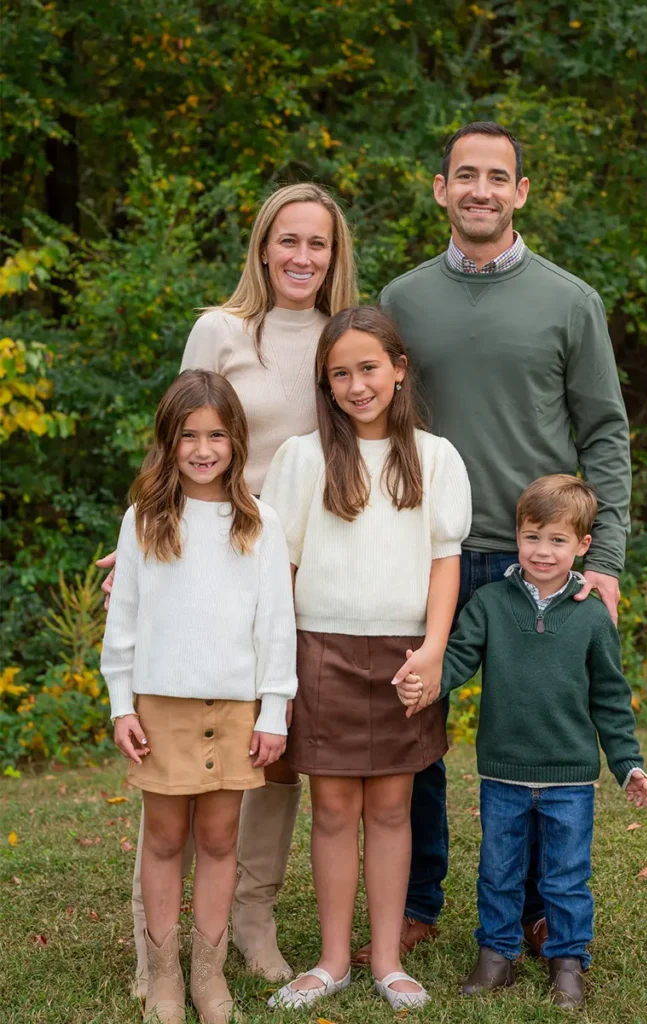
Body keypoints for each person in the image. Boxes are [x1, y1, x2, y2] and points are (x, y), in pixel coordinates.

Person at [364, 120, 633, 965]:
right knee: (418, 736)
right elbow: (365, 416)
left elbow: (604, 435)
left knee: (539, 740)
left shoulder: (568, 300)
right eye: (464, 175)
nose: (480, 189)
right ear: (440, 189)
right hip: (430, 552)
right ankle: (419, 897)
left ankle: (534, 911)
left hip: (537, 562)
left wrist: (608, 560)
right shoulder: (402, 302)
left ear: (520, 192)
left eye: (498, 177)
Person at [97, 182, 358, 993]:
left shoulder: (339, 340)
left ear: (334, 254)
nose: (302, 258)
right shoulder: (221, 329)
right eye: (288, 240)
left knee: (271, 751)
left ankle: (250, 918)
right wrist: (136, 546)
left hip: (302, 565)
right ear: (262, 245)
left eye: (317, 243)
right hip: (208, 556)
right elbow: (178, 432)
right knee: (178, 758)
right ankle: (156, 952)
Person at [260, 306, 471, 1010]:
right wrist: (278, 671)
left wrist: (434, 652)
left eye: (369, 368)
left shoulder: (436, 456)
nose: (356, 385)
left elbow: (446, 563)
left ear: (399, 369)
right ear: (325, 383)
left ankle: (384, 960)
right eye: (340, 373)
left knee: (391, 807)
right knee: (331, 809)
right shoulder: (301, 458)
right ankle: (330, 960)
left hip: (405, 653)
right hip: (319, 648)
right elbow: (280, 571)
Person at [397, 474, 647, 1010]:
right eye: (532, 536)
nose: (542, 550)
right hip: (504, 773)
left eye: (558, 540)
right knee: (498, 871)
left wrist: (628, 764)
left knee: (565, 876)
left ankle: (566, 961)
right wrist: (428, 683)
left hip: (570, 779)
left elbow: (611, 696)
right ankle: (497, 956)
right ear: (516, 535)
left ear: (583, 545)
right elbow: (459, 658)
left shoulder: (589, 615)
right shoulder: (490, 602)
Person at [101, 369, 298, 1024]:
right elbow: (122, 620)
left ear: (236, 441)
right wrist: (121, 703)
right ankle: (161, 976)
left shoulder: (258, 522)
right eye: (190, 436)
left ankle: (208, 978)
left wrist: (274, 710)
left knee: (219, 842)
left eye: (217, 435)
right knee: (162, 839)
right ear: (169, 441)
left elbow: (276, 626)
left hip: (235, 708)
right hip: (162, 706)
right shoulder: (145, 520)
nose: (204, 449)